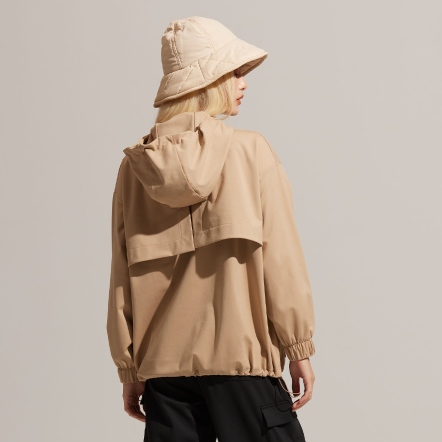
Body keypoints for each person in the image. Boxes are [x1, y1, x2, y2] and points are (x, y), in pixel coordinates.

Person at [106, 15, 316, 442]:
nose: (244, 82)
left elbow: (121, 278)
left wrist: (130, 369)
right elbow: (282, 261)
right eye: (234, 72)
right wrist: (298, 347)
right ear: (209, 81)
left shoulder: (135, 170)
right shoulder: (252, 152)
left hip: (165, 377)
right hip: (244, 367)